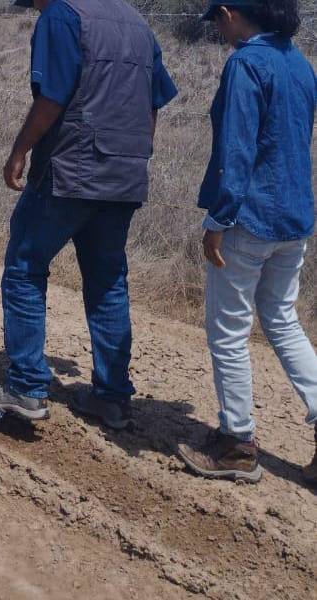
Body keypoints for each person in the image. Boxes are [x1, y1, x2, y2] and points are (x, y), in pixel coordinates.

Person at [0, 0, 178, 429]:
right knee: (107, 281)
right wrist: (134, 155)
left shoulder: (63, 16)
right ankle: (111, 396)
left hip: (71, 170)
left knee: (25, 268)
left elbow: (52, 95)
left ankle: (26, 387)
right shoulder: (137, 22)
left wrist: (19, 151)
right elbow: (153, 103)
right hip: (124, 173)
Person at [177, 0, 317, 485]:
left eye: (217, 20)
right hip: (294, 216)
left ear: (230, 11)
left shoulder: (246, 63)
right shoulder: (299, 63)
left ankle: (237, 443)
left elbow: (237, 149)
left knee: (229, 332)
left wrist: (218, 218)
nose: (218, 30)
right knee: (283, 321)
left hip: (249, 218)